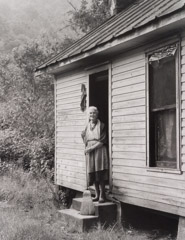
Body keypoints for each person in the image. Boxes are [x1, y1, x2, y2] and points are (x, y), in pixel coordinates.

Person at [81, 106, 109, 203]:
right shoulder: (87, 126)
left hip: (99, 150)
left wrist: (91, 148)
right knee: (93, 171)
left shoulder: (102, 125)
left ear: (97, 114)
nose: (92, 115)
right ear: (88, 115)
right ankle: (96, 194)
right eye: (90, 113)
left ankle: (102, 195)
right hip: (90, 151)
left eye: (94, 113)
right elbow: (84, 137)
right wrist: (86, 145)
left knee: (99, 172)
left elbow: (102, 141)